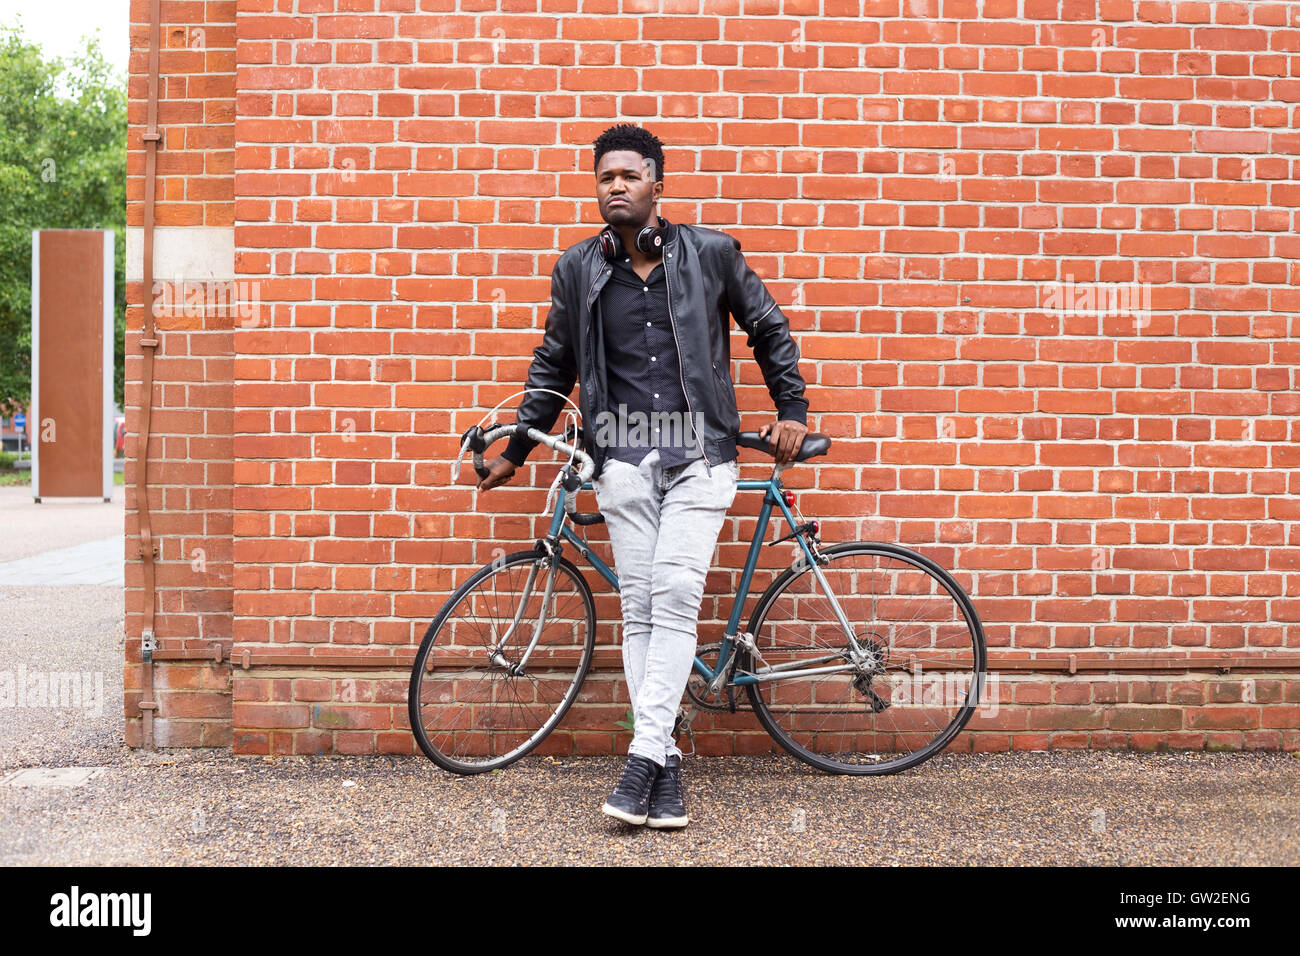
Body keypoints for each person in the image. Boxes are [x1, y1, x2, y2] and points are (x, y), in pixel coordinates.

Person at [475, 123, 810, 829]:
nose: (616, 186)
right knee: (642, 612)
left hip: (701, 457)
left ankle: (640, 761)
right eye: (605, 178)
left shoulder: (711, 254)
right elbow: (554, 362)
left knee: (677, 595)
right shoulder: (577, 269)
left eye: (629, 175)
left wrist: (793, 410)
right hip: (620, 461)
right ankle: (666, 767)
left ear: (657, 183)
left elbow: (769, 327)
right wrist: (514, 453)